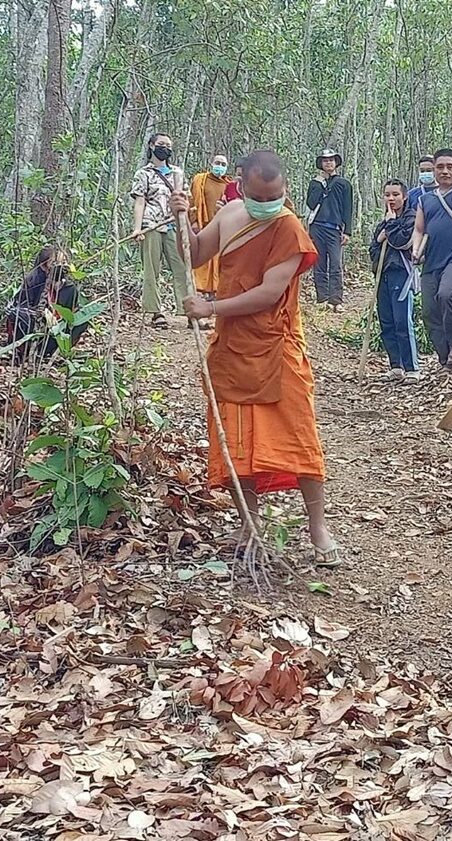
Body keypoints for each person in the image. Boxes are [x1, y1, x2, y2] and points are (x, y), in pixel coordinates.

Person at [174, 150, 340, 564]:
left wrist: (210, 308)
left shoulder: (288, 225)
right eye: (262, 195)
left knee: (298, 433)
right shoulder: (230, 213)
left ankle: (318, 528)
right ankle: (250, 523)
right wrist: (183, 218)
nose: (271, 202)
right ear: (242, 187)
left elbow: (270, 293)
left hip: (277, 346)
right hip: (231, 346)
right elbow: (194, 255)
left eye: (278, 194)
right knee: (237, 438)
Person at [411, 147, 452, 372]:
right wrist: (416, 250)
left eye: (450, 167)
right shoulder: (425, 199)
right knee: (429, 311)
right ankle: (445, 358)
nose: (445, 171)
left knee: (447, 294)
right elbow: (419, 229)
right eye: (440, 167)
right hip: (431, 261)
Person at [130, 132, 187, 328]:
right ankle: (156, 312)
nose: (165, 148)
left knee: (181, 267)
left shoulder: (177, 174)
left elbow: (184, 199)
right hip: (151, 224)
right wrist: (137, 229)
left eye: (168, 145)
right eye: (161, 144)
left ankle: (188, 310)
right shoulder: (143, 174)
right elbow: (139, 201)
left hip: (173, 224)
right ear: (152, 146)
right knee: (151, 269)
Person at [369, 180, 420, 381]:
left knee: (402, 320)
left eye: (395, 195)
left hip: (401, 272)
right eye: (387, 194)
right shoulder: (383, 220)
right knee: (387, 320)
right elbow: (373, 248)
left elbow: (402, 242)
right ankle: (396, 365)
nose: (391, 199)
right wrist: (381, 236)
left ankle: (411, 368)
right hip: (383, 274)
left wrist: (390, 226)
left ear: (404, 196)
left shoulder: (412, 218)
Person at [5, 246, 88, 363]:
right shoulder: (33, 282)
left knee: (83, 319)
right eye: (55, 263)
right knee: (20, 315)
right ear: (44, 266)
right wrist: (41, 315)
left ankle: (59, 351)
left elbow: (72, 313)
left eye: (64, 263)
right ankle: (24, 353)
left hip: (56, 332)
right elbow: (17, 307)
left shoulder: (70, 289)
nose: (61, 266)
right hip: (33, 331)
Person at [305, 148, 353, 311]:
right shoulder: (315, 183)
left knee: (335, 264)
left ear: (336, 163)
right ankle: (322, 299)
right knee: (318, 263)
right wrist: (320, 183)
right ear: (321, 164)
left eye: (331, 160)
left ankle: (336, 300)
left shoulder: (344, 184)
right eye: (325, 160)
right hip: (317, 227)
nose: (328, 163)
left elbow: (348, 208)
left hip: (334, 229)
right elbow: (311, 204)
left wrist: (347, 231)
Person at [190, 153, 233, 300]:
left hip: (222, 229)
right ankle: (200, 291)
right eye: (217, 163)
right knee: (203, 260)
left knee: (219, 261)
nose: (219, 166)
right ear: (211, 163)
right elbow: (192, 201)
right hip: (203, 226)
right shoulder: (200, 180)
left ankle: (215, 291)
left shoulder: (229, 185)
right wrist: (194, 221)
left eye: (223, 164)